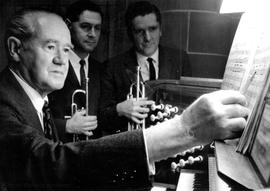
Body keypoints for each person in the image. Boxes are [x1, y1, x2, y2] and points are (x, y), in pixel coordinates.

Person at [0, 8, 249, 191]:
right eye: (50, 47)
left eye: (66, 49)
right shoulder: (4, 104)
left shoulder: (35, 99)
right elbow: (53, 163)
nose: (62, 60)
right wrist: (185, 129)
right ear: (15, 49)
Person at [99, 1, 192, 135]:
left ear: (161, 30)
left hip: (173, 140)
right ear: (130, 34)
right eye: (139, 31)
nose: (147, 38)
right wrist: (119, 109)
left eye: (152, 29)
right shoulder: (112, 66)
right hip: (132, 144)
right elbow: (102, 116)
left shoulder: (180, 59)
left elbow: (189, 104)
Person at [48, 0, 104, 142]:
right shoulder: (51, 65)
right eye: (85, 27)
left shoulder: (101, 69)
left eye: (97, 28)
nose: (92, 34)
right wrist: (66, 126)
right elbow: (33, 118)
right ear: (68, 26)